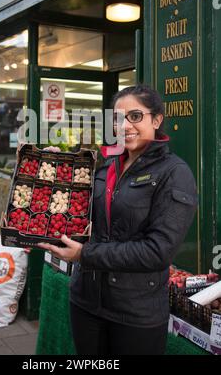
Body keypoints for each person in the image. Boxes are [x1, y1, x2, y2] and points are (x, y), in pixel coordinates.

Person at [38, 85, 198, 355]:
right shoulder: (106, 165)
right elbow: (78, 214)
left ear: (156, 120)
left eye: (135, 116)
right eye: (117, 118)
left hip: (135, 314)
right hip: (86, 302)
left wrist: (85, 254)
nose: (124, 126)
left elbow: (157, 252)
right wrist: (56, 166)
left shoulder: (174, 173)